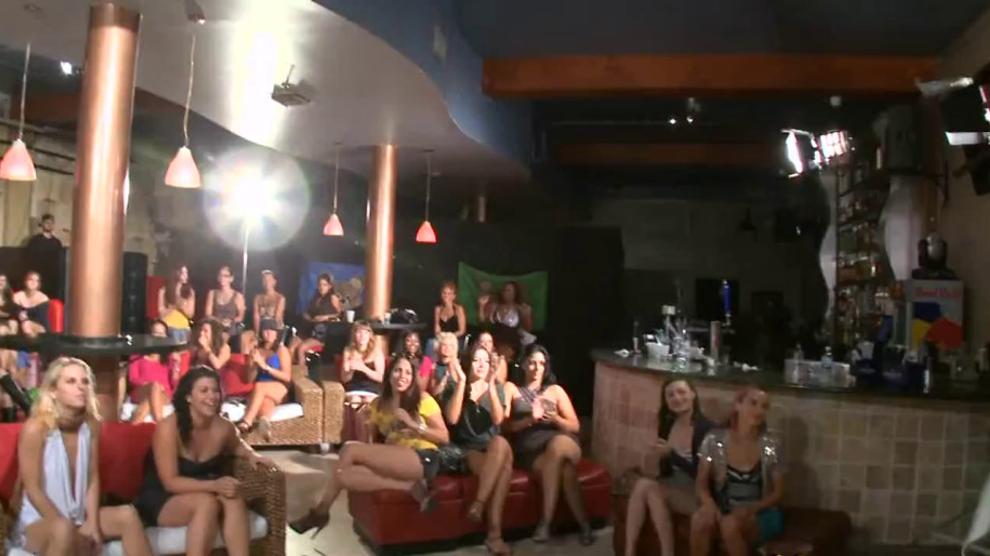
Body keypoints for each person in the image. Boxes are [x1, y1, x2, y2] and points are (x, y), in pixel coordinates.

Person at [290, 356, 449, 538]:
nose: (402, 376)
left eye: (407, 373)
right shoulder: (378, 405)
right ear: (389, 374)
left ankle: (320, 514)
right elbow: (371, 444)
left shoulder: (423, 399)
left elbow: (444, 437)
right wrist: (365, 425)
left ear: (413, 378)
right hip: (395, 458)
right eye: (397, 370)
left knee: (349, 449)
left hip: (422, 457)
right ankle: (409, 486)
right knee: (342, 475)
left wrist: (414, 425)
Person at [11, 357, 152, 556]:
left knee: (127, 516)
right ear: (53, 391)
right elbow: (33, 489)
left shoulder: (91, 426)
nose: (81, 387)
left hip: (77, 516)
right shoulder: (36, 428)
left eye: (85, 381)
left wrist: (92, 523)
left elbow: (92, 478)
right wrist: (70, 531)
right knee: (63, 530)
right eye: (71, 381)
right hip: (39, 522)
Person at [134, 366, 273, 556]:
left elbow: (238, 445)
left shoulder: (224, 427)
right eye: (204, 390)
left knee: (234, 499)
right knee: (206, 504)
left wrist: (251, 455)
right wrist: (215, 485)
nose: (212, 396)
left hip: (205, 488)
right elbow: (170, 482)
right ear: (188, 397)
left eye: (215, 390)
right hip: (163, 496)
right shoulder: (168, 428)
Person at [505, 344, 593, 545]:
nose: (537, 368)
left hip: (563, 442)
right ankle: (585, 526)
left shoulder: (555, 390)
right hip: (532, 453)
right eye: (532, 363)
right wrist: (530, 420)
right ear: (523, 364)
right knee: (566, 471)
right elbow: (506, 427)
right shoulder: (512, 389)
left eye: (542, 364)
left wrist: (555, 419)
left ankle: (545, 522)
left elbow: (575, 426)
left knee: (558, 446)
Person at [691, 386, 784, 556]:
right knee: (700, 520)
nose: (759, 410)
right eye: (753, 403)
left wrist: (751, 509)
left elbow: (778, 493)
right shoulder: (714, 440)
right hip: (725, 508)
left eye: (764, 406)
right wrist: (710, 506)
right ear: (737, 405)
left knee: (730, 525)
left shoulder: (771, 445)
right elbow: (701, 484)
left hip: (761, 512)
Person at [624, 379, 714, 556]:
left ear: (693, 395)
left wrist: (672, 455)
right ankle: (631, 551)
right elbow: (666, 469)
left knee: (649, 488)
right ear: (666, 401)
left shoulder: (706, 429)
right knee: (645, 486)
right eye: (670, 395)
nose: (676, 398)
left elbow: (703, 474)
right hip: (673, 484)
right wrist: (655, 460)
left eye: (681, 392)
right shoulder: (667, 425)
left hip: (697, 489)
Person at [443, 345, 513, 556]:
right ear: (469, 363)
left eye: (485, 361)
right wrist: (462, 383)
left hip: (493, 447)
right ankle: (494, 536)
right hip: (468, 450)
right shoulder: (455, 386)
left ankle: (479, 504)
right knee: (503, 469)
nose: (481, 365)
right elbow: (452, 419)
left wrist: (490, 387)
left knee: (500, 442)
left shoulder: (497, 388)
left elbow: (498, 420)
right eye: (476, 360)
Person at [235, 320, 292, 440]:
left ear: (276, 334)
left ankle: (246, 422)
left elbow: (287, 377)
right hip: (261, 392)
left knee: (260, 386)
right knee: (265, 401)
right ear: (261, 333)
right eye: (265, 330)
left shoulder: (281, 350)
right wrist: (253, 365)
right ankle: (264, 422)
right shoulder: (256, 351)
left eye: (272, 330)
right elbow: (248, 380)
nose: (268, 333)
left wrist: (265, 367)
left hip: (280, 388)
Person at [128, 319, 181, 423]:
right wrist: (150, 385)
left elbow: (175, 385)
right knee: (154, 387)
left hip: (164, 394)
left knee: (150, 400)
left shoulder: (169, 358)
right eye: (155, 333)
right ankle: (160, 423)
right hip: (141, 391)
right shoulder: (137, 356)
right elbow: (132, 379)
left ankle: (131, 426)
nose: (158, 337)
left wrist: (176, 366)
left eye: (161, 334)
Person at [289, 273, 341, 364]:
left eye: (324, 285)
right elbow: (309, 312)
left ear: (329, 286)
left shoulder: (333, 297)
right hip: (308, 328)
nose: (321, 287)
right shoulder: (315, 298)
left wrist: (325, 317)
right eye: (320, 285)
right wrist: (307, 316)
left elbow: (339, 315)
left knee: (301, 348)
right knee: (291, 347)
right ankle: (290, 369)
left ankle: (301, 371)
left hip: (321, 332)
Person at [341, 321, 385, 405]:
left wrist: (363, 368)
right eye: (359, 332)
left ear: (370, 335)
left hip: (371, 390)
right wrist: (351, 370)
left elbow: (380, 378)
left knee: (368, 401)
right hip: (353, 390)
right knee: (355, 400)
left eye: (365, 333)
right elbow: (344, 379)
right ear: (354, 335)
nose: (362, 336)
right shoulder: (348, 351)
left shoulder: (377, 352)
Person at [24, 213, 63, 298]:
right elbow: (29, 260)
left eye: (51, 223)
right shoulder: (35, 241)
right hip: (39, 277)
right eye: (46, 222)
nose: (49, 225)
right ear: (42, 224)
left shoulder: (57, 242)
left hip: (53, 278)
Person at [204, 265, 246, 339]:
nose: (222, 278)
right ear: (218, 278)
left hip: (231, 332)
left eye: (226, 276)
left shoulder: (238, 296)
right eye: (221, 275)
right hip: (216, 330)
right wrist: (219, 321)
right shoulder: (212, 293)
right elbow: (208, 314)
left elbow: (240, 317)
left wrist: (230, 321)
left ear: (231, 278)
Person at [158, 265, 196, 344]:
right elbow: (161, 314)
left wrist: (181, 306)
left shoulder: (190, 292)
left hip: (184, 328)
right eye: (183, 273)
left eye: (186, 273)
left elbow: (190, 314)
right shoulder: (164, 290)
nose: (186, 276)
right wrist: (174, 307)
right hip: (168, 327)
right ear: (176, 273)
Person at [429, 281, 466, 355]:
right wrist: (442, 338)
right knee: (430, 343)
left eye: (449, 293)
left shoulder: (459, 309)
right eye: (444, 293)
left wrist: (449, 338)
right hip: (442, 339)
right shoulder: (438, 309)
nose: (446, 295)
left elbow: (462, 330)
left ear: (454, 296)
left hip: (455, 339)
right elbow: (437, 329)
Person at [13, 271, 50, 337]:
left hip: (39, 327)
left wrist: (26, 320)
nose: (33, 282)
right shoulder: (17, 296)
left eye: (36, 281)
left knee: (26, 325)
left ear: (38, 284)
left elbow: (41, 319)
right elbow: (15, 314)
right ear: (25, 282)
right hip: (20, 326)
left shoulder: (43, 298)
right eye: (30, 279)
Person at [427, 331, 461, 400]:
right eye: (444, 345)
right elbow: (433, 392)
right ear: (438, 347)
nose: (447, 348)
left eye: (451, 345)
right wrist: (444, 379)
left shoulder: (457, 365)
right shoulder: (432, 364)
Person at [252, 270, 285, 335]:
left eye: (269, 280)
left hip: (273, 328)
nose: (267, 282)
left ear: (274, 282)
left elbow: (278, 318)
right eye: (264, 280)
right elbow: (256, 317)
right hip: (261, 326)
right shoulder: (257, 298)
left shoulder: (280, 298)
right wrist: (256, 333)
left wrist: (278, 333)